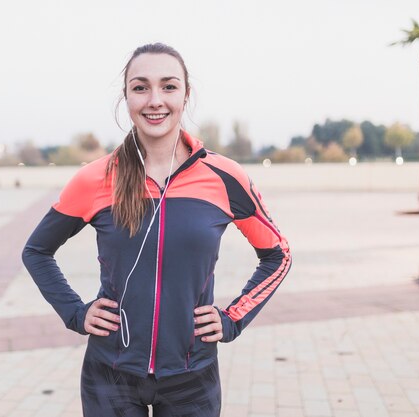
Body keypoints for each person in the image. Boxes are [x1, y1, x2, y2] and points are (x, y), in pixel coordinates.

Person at [22, 43, 291, 417]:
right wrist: (75, 312)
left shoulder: (225, 177)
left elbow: (278, 254)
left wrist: (233, 318)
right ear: (126, 96)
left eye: (168, 86)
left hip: (192, 377)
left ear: (186, 95)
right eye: (140, 87)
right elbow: (36, 250)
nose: (154, 100)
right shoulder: (96, 178)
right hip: (109, 376)